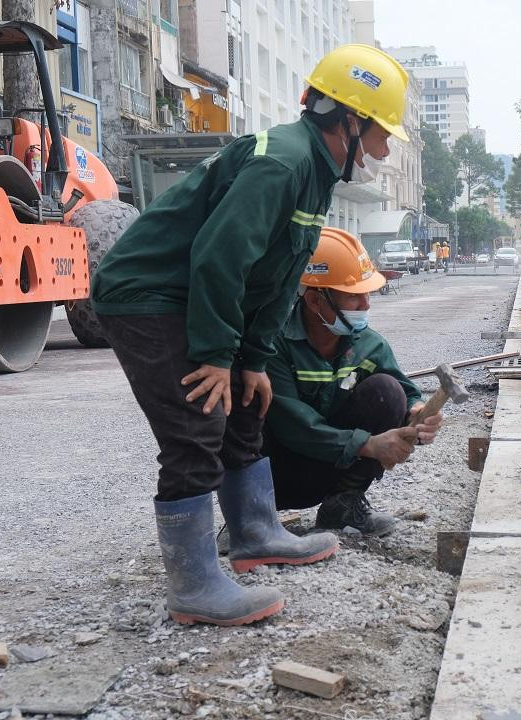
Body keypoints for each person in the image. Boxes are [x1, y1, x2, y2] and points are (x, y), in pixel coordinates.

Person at [90, 44, 411, 627]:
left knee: (245, 398)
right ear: (349, 120)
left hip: (196, 293)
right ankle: (193, 587)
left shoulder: (316, 173)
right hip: (148, 294)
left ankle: (256, 532)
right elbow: (219, 256)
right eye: (382, 132)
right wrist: (215, 354)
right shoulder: (284, 163)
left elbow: (281, 276)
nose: (385, 149)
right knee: (199, 418)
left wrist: (253, 358)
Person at [262, 227, 443, 537]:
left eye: (367, 293)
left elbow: (407, 393)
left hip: (332, 467)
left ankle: (342, 505)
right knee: (238, 392)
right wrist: (368, 445)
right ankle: (249, 517)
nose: (366, 304)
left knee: (388, 391)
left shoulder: (369, 346)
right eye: (353, 295)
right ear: (316, 300)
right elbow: (295, 427)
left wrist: (418, 412)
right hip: (278, 475)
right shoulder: (272, 345)